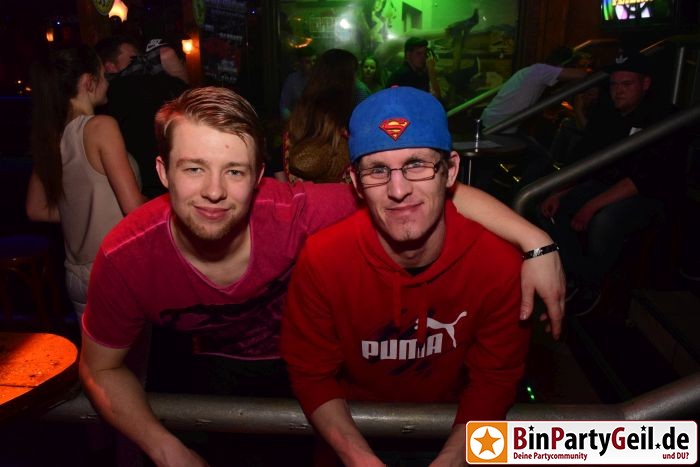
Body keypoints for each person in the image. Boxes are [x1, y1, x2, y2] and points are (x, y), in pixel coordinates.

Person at [79, 86, 563, 466]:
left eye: (234, 171)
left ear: (260, 177)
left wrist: (535, 241)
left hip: (291, 372)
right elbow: (101, 368)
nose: (213, 191)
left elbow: (417, 198)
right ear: (163, 171)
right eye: (193, 169)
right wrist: (166, 450)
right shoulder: (126, 256)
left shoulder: (299, 214)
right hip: (199, 372)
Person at [281, 86, 534, 466]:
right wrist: (358, 458)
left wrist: (453, 460)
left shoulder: (498, 265)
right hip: (349, 436)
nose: (398, 190)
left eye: (416, 164)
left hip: (456, 432)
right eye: (377, 170)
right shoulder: (323, 259)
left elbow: (495, 379)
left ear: (450, 171)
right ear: (355, 182)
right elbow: (311, 374)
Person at [539, 50, 684, 315]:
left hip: (648, 194)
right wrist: (558, 193)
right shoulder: (607, 114)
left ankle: (593, 286)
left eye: (626, 84)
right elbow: (585, 157)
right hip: (606, 186)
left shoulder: (663, 115)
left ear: (645, 84)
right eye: (614, 84)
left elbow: (644, 178)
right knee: (548, 208)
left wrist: (592, 206)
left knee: (605, 221)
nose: (618, 91)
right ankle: (579, 275)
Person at [25, 45, 145, 319]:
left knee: (96, 350)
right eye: (103, 76)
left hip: (77, 275)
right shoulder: (101, 127)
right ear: (88, 81)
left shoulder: (52, 136)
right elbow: (134, 209)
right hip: (115, 269)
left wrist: (87, 210)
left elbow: (35, 209)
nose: (107, 83)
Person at [95, 35, 189, 199]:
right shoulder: (118, 91)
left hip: (164, 179)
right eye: (133, 59)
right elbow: (167, 55)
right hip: (147, 186)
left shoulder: (153, 82)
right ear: (110, 67)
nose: (141, 61)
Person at [285, 48, 369, 183]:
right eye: (353, 74)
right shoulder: (338, 121)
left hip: (303, 192)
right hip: (333, 193)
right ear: (345, 80)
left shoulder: (304, 109)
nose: (356, 80)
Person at [480, 46, 589, 134]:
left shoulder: (534, 71)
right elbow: (582, 75)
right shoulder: (541, 70)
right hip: (498, 125)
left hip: (495, 121)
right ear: (565, 64)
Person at [279, 46, 317, 121]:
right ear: (300, 63)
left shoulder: (320, 78)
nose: (312, 64)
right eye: (308, 62)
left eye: (314, 61)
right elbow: (284, 105)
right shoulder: (292, 79)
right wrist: (290, 122)